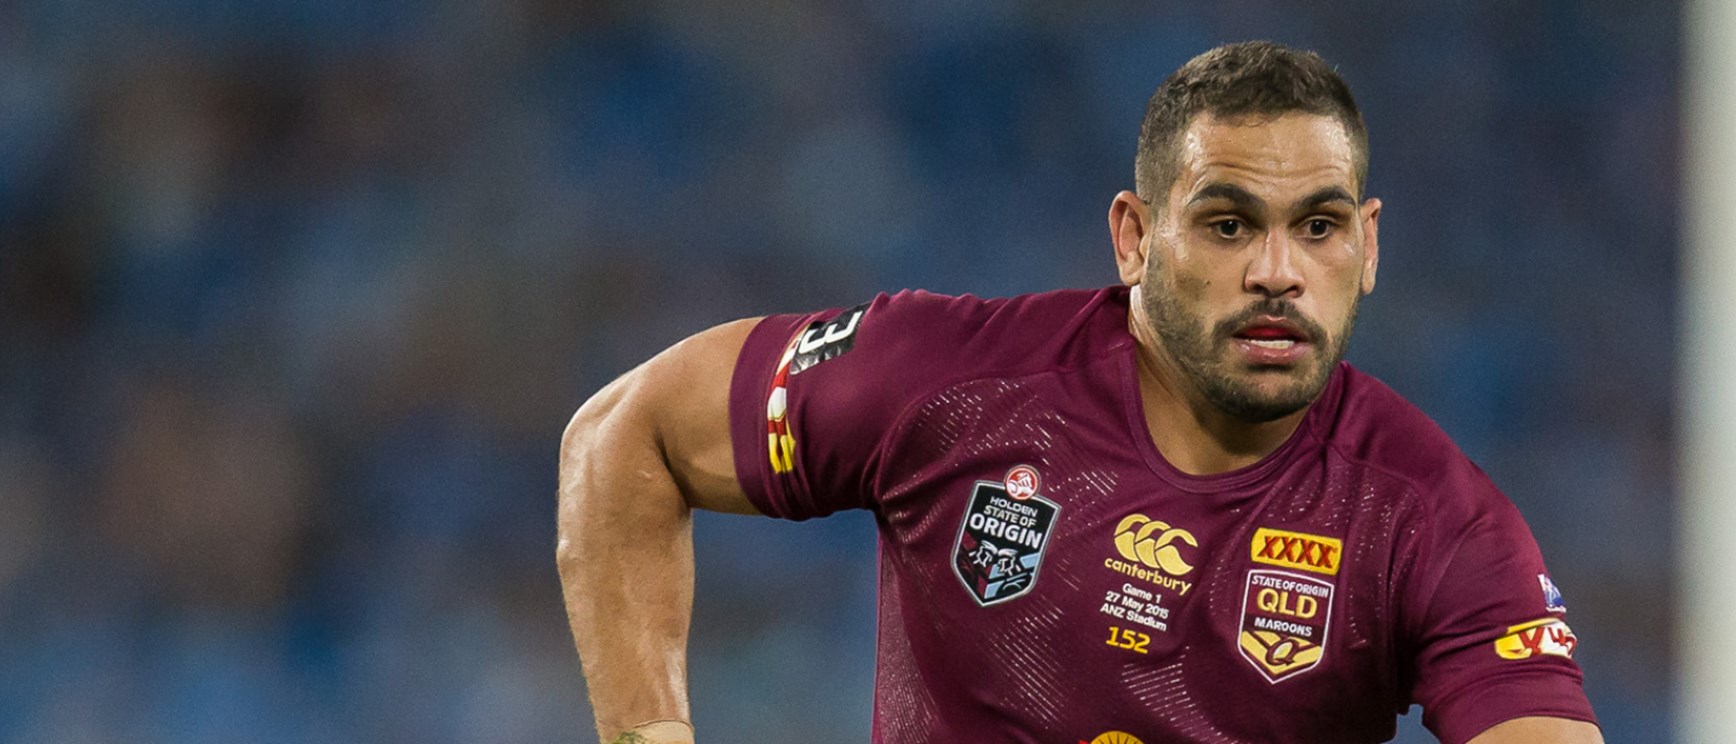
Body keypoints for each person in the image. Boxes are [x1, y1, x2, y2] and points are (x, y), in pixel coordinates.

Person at [556, 41, 1602, 744]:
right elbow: (626, 435)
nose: (1277, 272)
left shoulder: (1429, 521)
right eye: (1228, 225)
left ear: (1366, 248)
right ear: (1135, 238)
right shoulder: (950, 385)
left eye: (1318, 227)